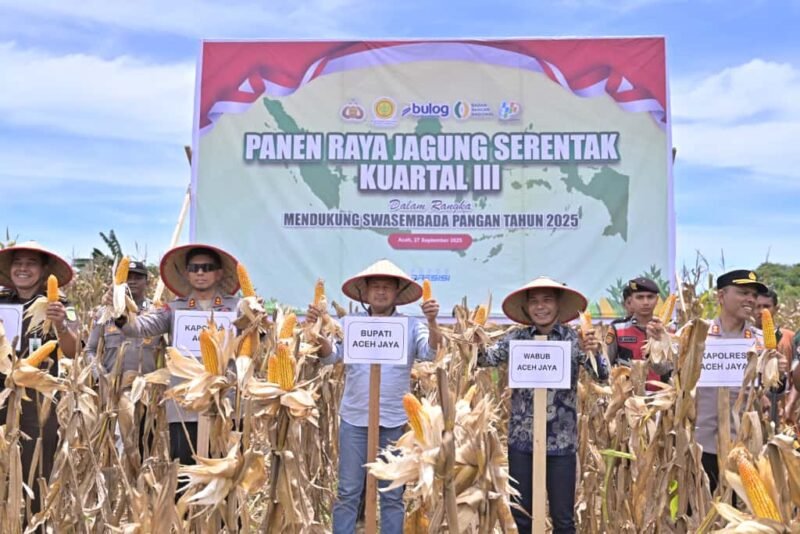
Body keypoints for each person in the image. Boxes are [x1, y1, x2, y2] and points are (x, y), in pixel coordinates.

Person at [307, 259, 441, 534]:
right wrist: (317, 331)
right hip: (355, 419)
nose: (381, 292)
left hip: (393, 421)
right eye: (375, 287)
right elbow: (331, 356)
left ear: (396, 293)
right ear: (365, 292)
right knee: (348, 491)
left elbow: (430, 352)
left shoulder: (411, 326)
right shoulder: (350, 324)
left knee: (392, 494)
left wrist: (432, 321)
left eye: (387, 287)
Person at [477, 276, 608, 534]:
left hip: (561, 443)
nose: (540, 307)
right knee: (521, 517)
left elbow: (601, 376)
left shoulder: (574, 340)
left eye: (547, 300)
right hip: (522, 442)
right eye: (534, 302)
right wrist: (475, 340)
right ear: (526, 308)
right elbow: (484, 359)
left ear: (558, 305)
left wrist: (594, 351)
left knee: (563, 520)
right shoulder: (516, 339)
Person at [115, 245, 240, 464]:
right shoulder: (173, 309)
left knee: (227, 473)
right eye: (194, 268)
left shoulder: (237, 308)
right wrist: (118, 310)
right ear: (186, 273)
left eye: (207, 268)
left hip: (225, 405)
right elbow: (137, 328)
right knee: (184, 474)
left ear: (219, 273)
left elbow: (259, 335)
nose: (200, 273)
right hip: (186, 406)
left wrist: (258, 319)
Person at [0, 242, 79, 515]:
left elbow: (75, 350)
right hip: (2, 393)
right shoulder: (1, 301)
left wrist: (60, 325)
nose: (23, 268)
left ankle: (33, 523)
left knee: (35, 467)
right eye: (18, 262)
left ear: (44, 270)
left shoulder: (62, 306)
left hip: (38, 400)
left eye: (31, 263)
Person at [697, 270, 789, 493]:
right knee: (697, 505)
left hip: (744, 444)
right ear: (721, 296)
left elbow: (774, 390)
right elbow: (669, 373)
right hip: (700, 442)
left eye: (753, 295)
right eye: (743, 293)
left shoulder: (761, 341)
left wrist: (780, 373)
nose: (750, 299)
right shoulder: (698, 333)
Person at [87, 260, 161, 459]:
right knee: (112, 452)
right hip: (112, 394)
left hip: (146, 394)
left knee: (144, 450)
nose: (132, 281)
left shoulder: (156, 313)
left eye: (138, 277)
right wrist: (100, 377)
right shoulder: (104, 314)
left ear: (147, 282)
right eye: (127, 277)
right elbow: (90, 350)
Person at [605, 277, 670, 390]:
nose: (645, 302)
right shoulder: (617, 328)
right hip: (627, 396)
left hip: (661, 396)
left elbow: (666, 370)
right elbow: (605, 365)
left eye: (650, 297)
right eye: (640, 297)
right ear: (630, 301)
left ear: (657, 300)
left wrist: (654, 346)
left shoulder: (668, 330)